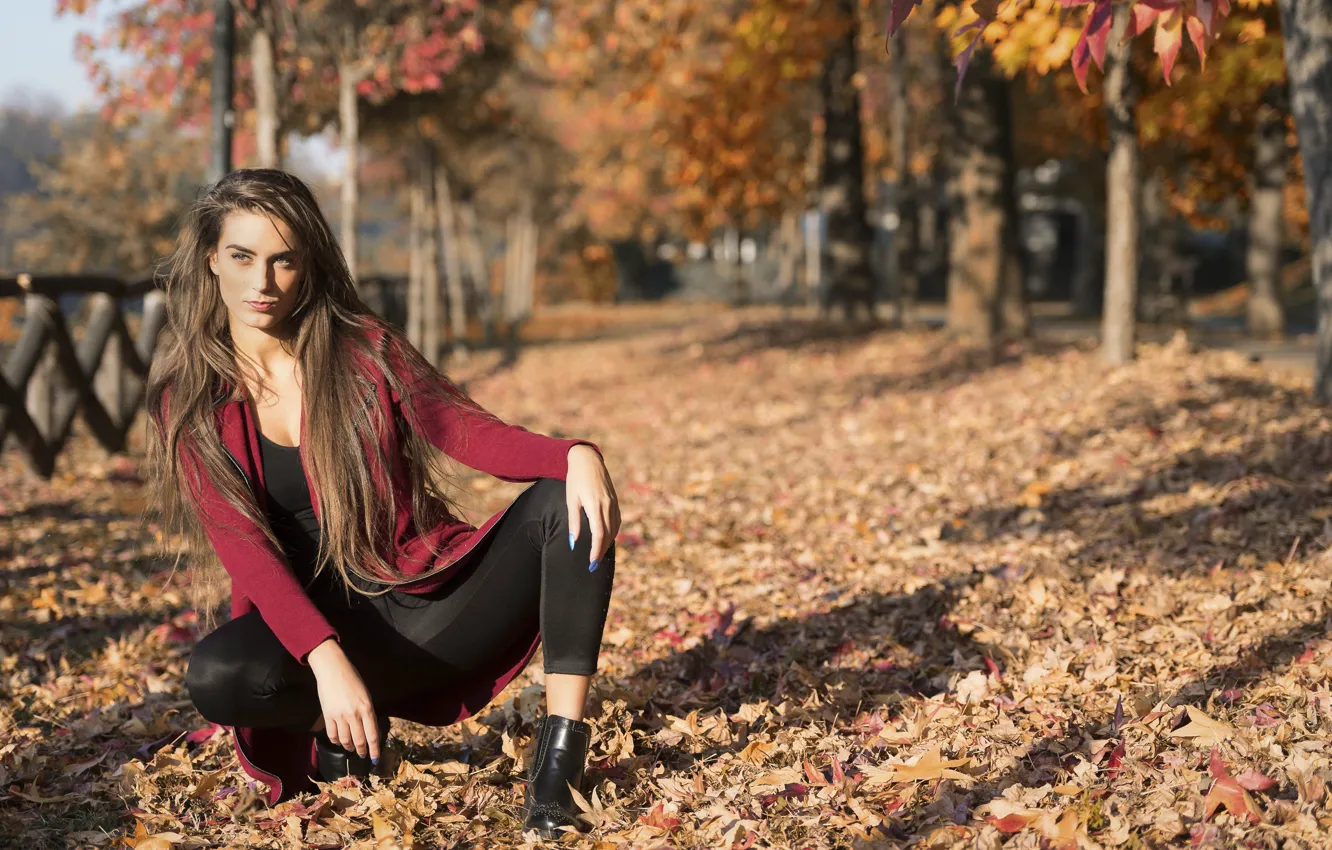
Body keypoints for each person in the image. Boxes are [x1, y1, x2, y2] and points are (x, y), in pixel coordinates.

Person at [143, 169, 619, 839]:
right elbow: (244, 551)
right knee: (218, 674)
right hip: (309, 637)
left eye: (284, 260)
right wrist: (326, 661)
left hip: (415, 603)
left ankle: (559, 764)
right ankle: (345, 739)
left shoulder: (366, 350)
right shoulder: (186, 402)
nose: (263, 283)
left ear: (308, 263)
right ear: (212, 258)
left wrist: (572, 454)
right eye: (244, 257)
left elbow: (463, 429)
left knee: (561, 502)